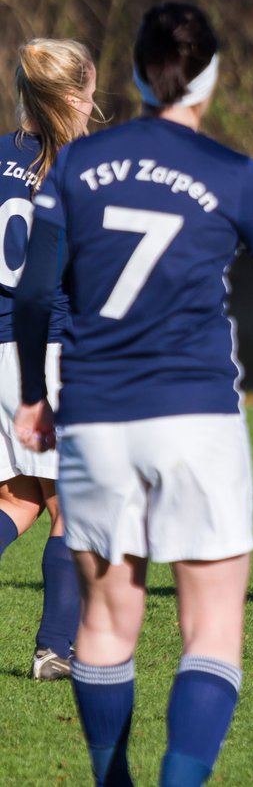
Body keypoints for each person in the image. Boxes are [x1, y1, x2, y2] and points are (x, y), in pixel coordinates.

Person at [13, 2, 253, 786]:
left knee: (109, 629)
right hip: (194, 415)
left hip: (97, 417)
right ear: (209, 76)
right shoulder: (231, 173)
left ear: (137, 77)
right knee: (210, 631)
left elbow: (38, 296)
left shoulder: (78, 166)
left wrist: (31, 397)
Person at [0, 38, 99, 680]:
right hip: (51, 353)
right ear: (66, 96)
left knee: (18, 500)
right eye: (89, 95)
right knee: (76, 507)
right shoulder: (76, 168)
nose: (94, 107)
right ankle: (56, 649)